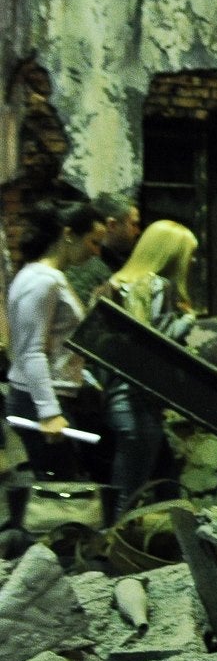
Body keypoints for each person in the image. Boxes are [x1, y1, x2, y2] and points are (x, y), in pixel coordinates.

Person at [96, 220, 197, 516]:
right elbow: (156, 342)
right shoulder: (158, 286)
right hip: (138, 402)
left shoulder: (114, 285)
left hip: (118, 398)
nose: (191, 262)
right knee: (128, 494)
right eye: (188, 254)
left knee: (166, 485)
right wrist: (187, 321)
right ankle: (112, 555)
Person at [6, 200, 106, 479]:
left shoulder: (43, 276)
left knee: (61, 489)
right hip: (39, 396)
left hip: (45, 394)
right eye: (93, 242)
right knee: (59, 496)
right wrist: (48, 412)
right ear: (69, 234)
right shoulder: (43, 280)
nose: (95, 252)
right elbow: (32, 351)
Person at [65, 193, 141, 306]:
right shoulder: (88, 264)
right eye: (133, 224)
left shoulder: (110, 260)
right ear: (112, 225)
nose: (137, 231)